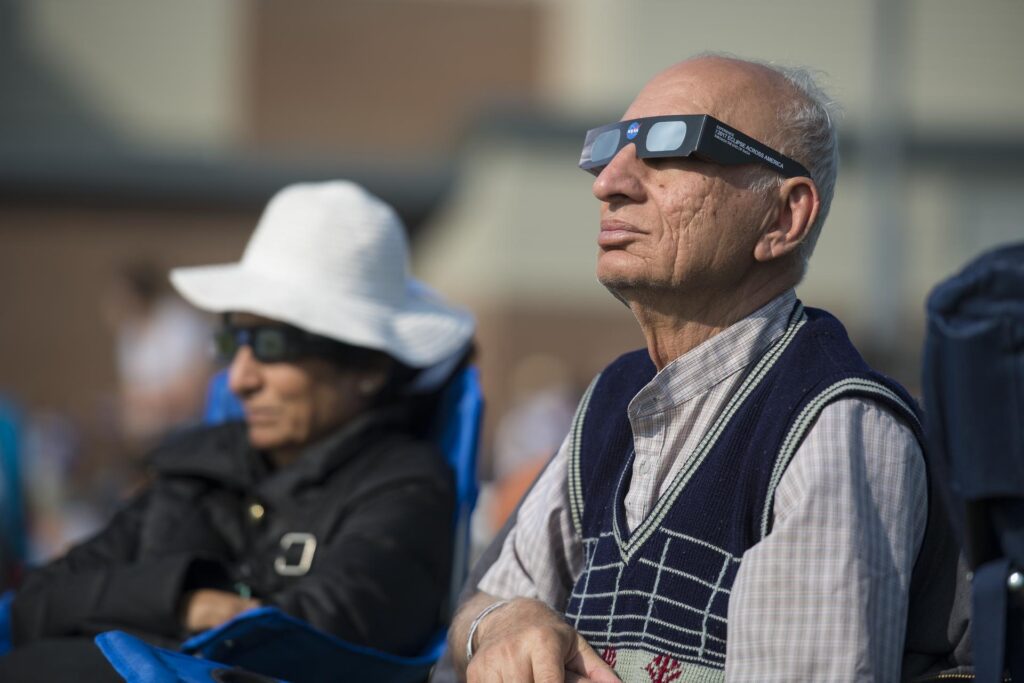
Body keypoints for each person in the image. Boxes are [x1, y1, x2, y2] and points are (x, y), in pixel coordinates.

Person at [449, 55, 971, 682]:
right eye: (608, 148)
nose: (608, 182)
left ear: (783, 217)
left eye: (672, 148)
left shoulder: (832, 424)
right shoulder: (612, 398)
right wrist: (504, 623)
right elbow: (476, 605)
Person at [0, 180, 475, 681]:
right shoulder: (193, 469)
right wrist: (189, 604)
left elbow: (304, 639)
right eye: (235, 339)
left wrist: (130, 601)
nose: (241, 378)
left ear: (369, 369)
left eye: (273, 343)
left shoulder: (407, 485)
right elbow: (34, 602)